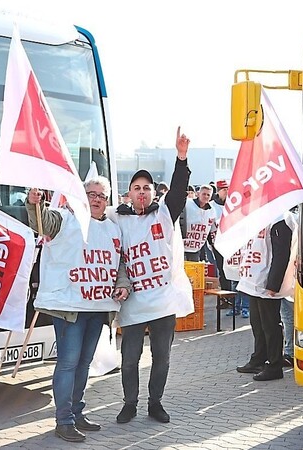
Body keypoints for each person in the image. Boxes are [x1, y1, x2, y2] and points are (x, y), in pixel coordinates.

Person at [26, 177, 130, 443]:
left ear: (107, 201)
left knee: (84, 363)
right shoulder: (65, 219)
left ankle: (76, 412)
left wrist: (122, 284)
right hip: (69, 309)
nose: (96, 199)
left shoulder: (113, 229)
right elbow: (42, 223)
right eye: (91, 194)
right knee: (68, 363)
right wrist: (34, 204)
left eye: (101, 196)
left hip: (97, 308)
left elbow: (118, 265)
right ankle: (64, 421)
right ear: (81, 197)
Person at [111, 126, 193, 425]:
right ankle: (129, 403)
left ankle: (155, 402)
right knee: (129, 359)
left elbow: (180, 190)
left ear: (152, 191)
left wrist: (181, 158)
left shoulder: (164, 214)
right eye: (137, 188)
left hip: (162, 301)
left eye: (146, 187)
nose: (142, 192)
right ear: (129, 193)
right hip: (133, 301)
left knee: (163, 357)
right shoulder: (117, 218)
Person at [235, 213, 294, 381]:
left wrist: (273, 284)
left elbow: (281, 253)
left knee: (270, 326)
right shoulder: (255, 217)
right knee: (257, 324)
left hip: (267, 282)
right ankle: (258, 359)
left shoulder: (279, 219)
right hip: (254, 280)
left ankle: (274, 365)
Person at [182, 184, 216, 262]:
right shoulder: (187, 204)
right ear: (198, 194)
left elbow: (211, 229)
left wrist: (212, 244)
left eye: (208, 195)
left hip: (196, 248)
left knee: (193, 271)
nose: (206, 196)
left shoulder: (212, 210)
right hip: (181, 246)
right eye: (204, 194)